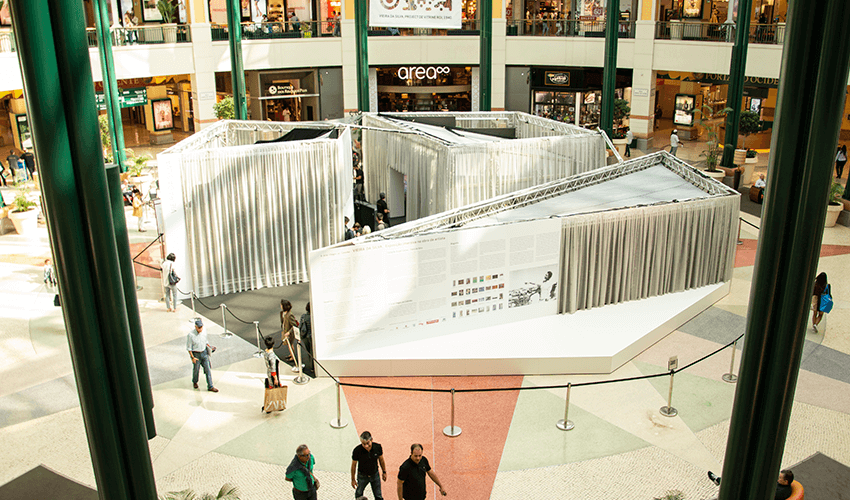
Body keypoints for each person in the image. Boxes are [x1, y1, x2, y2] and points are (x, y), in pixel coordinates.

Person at [708, 469, 795, 500]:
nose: (777, 478)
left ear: (786, 482)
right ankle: (719, 480)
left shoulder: (782, 492)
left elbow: (765, 494)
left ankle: (719, 481)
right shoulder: (780, 484)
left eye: (780, 478)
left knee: (734, 488)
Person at [351, 431, 387, 500]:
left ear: (371, 440)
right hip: (362, 476)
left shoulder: (377, 447)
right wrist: (353, 479)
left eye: (368, 443)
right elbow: (353, 465)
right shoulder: (357, 451)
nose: (366, 446)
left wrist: (384, 471)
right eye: (363, 444)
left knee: (378, 495)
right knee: (359, 494)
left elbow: (381, 460)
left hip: (374, 474)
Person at [187, 318, 218, 392]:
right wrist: (192, 357)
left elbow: (205, 341)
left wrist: (210, 347)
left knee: (208, 370)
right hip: (196, 354)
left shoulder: (204, 331)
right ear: (195, 327)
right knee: (196, 370)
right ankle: (195, 381)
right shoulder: (191, 335)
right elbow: (189, 348)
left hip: (204, 353)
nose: (200, 329)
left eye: (201, 327)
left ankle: (210, 386)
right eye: (199, 328)